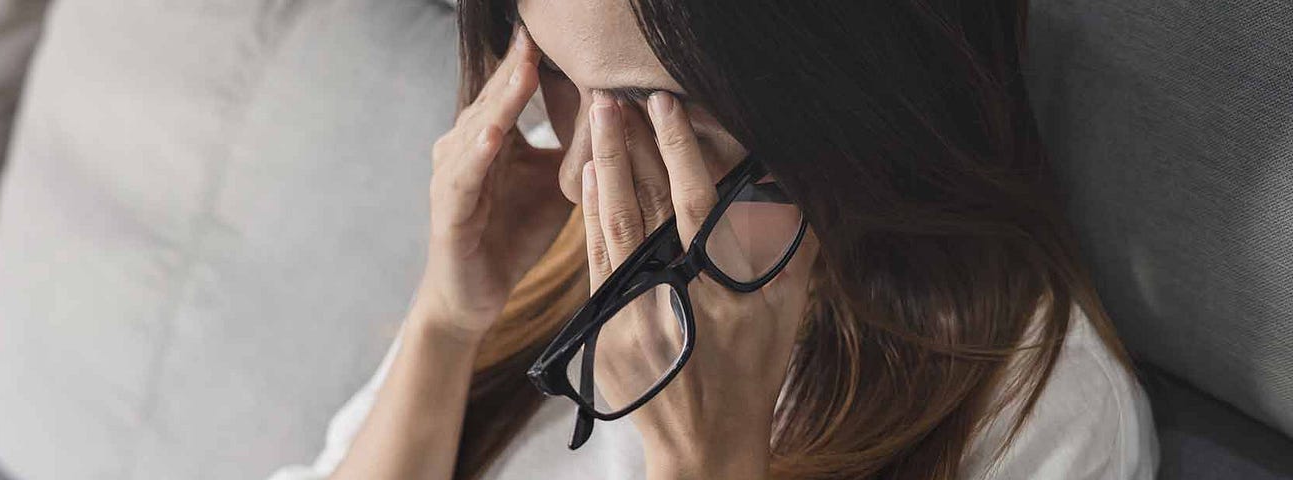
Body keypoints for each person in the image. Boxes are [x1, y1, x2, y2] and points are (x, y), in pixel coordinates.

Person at [272, 0, 1158, 478]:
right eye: (555, 72)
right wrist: (447, 325)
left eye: (658, 111)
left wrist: (709, 459)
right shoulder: (550, 224)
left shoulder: (1033, 411)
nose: (582, 168)